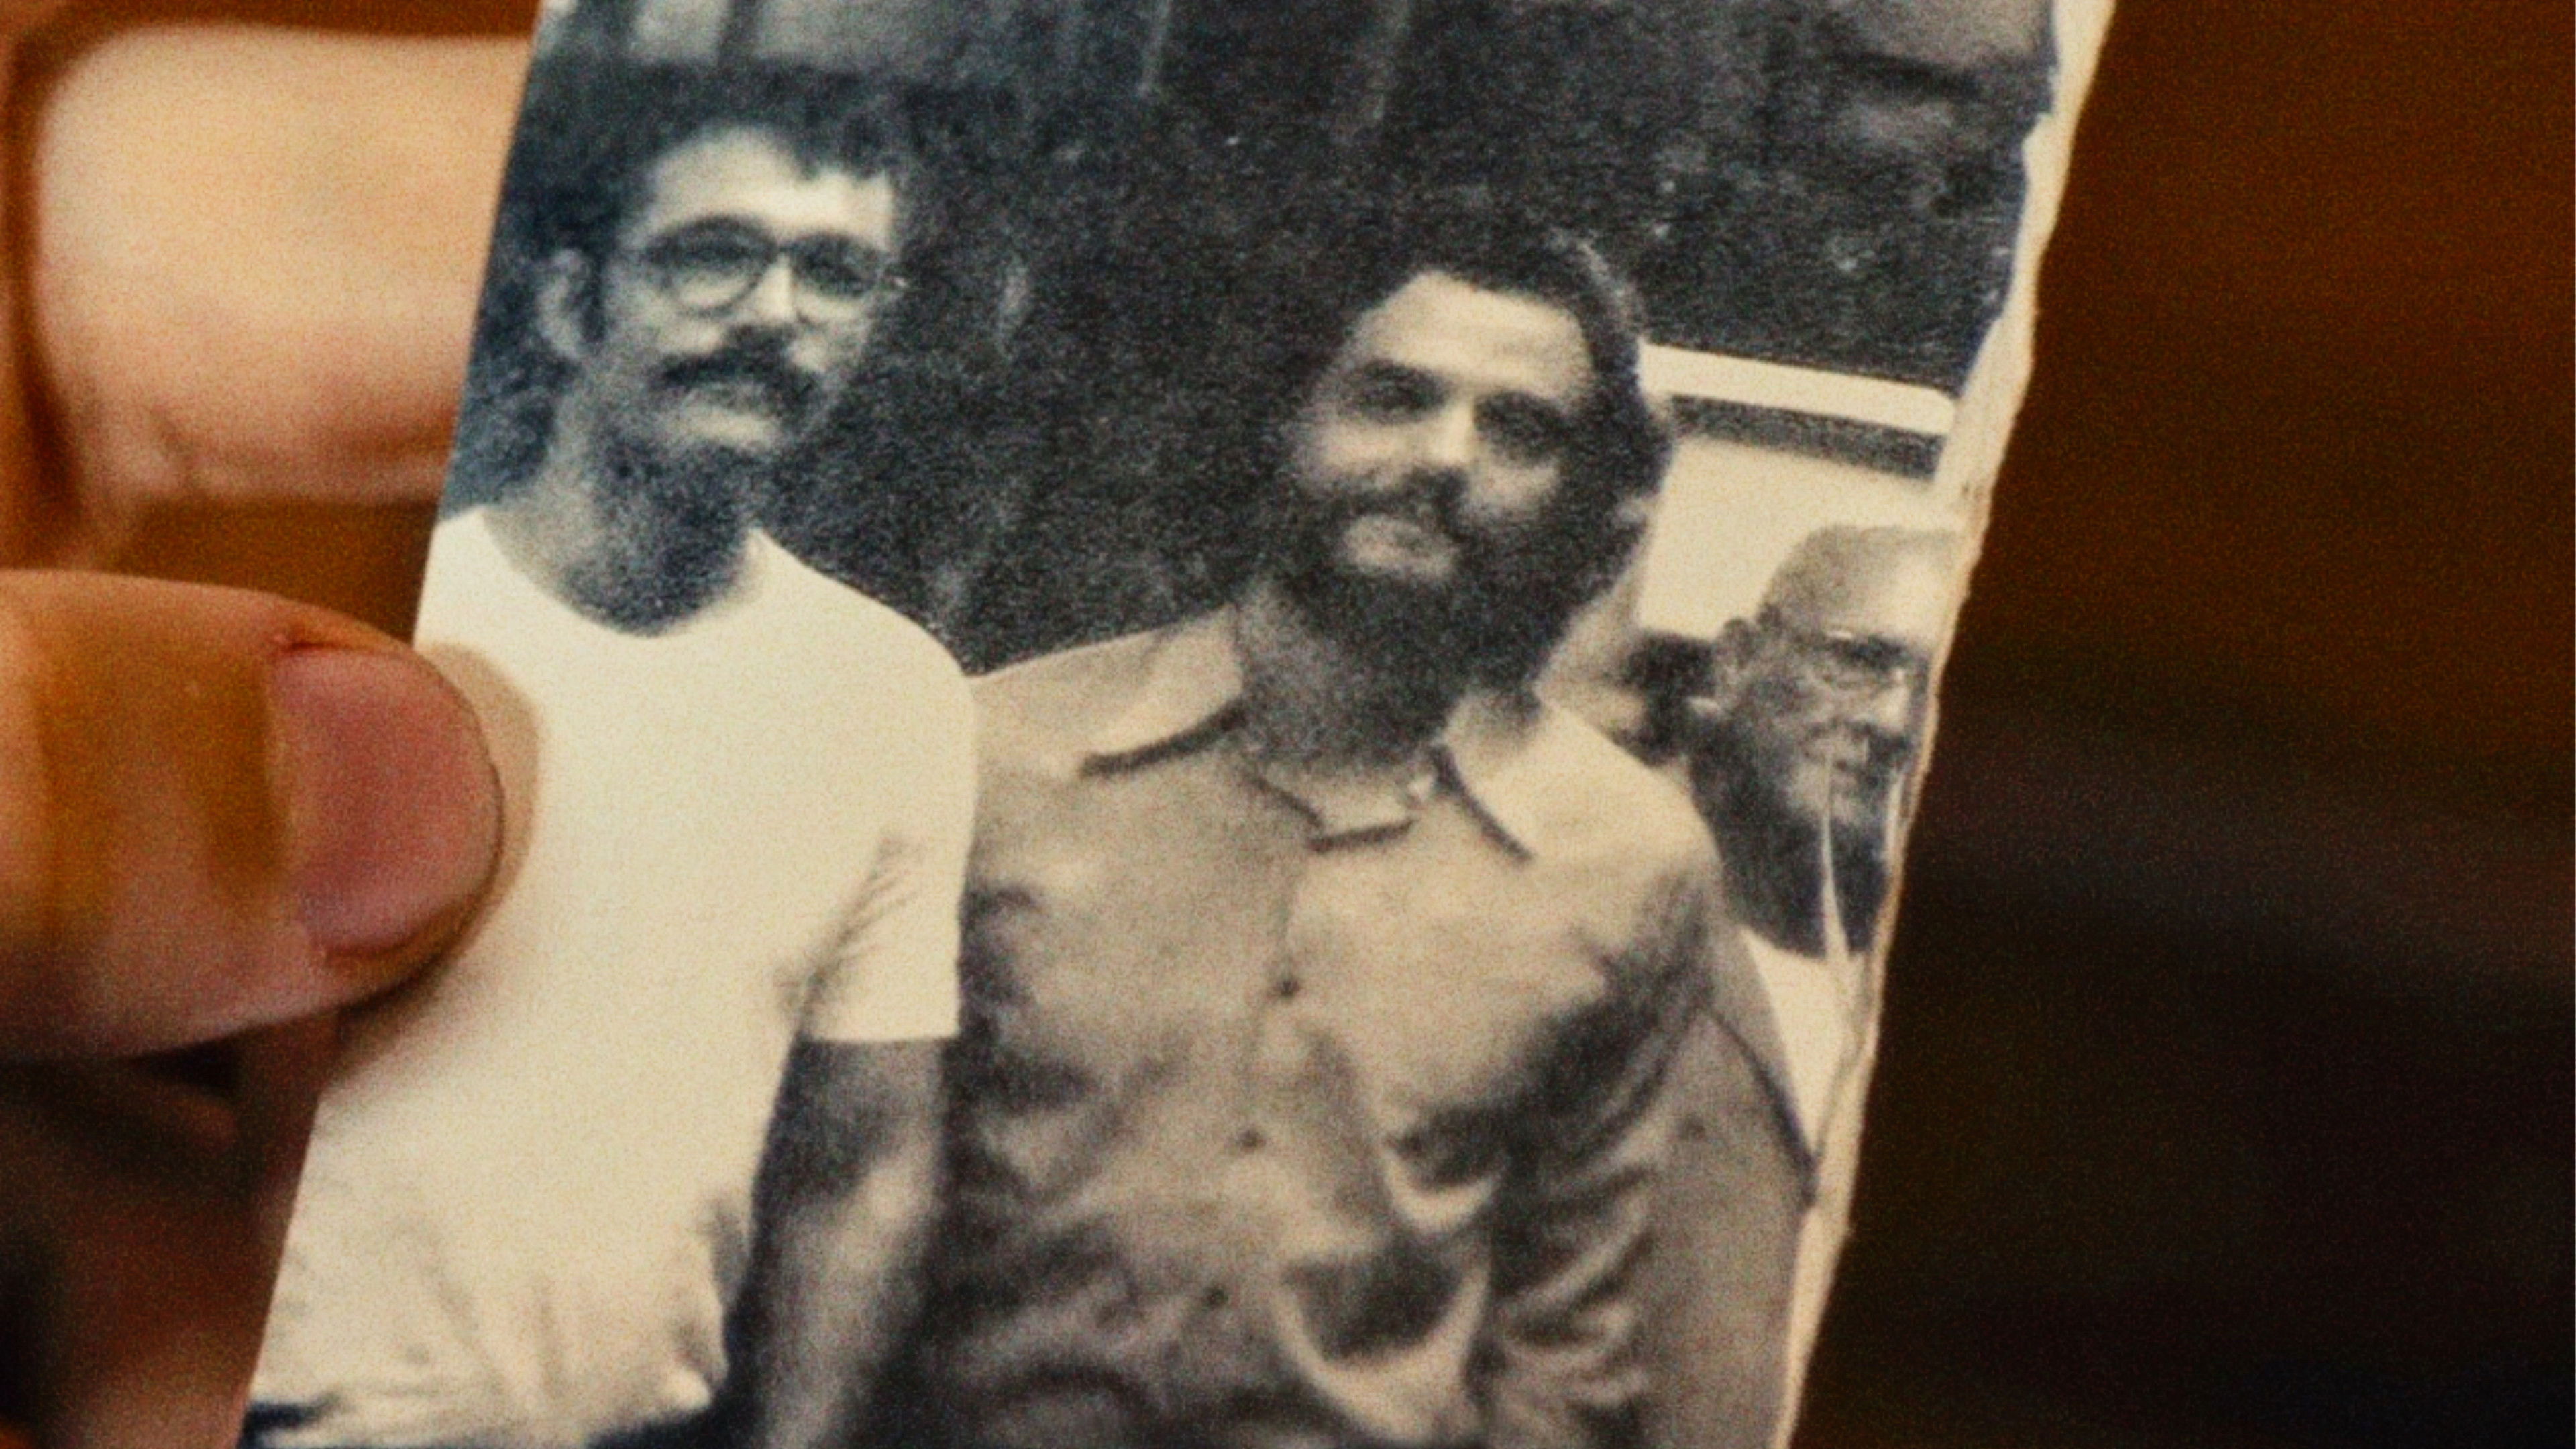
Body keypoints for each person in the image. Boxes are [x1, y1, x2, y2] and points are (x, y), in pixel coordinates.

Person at [783, 197, 1801, 1449]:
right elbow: (830, 1209)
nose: (1446, 457)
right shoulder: (994, 756)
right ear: (1286, 419)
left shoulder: (1628, 864)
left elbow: (1563, 1348)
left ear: (1581, 502)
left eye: (1519, 430)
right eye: (1394, 397)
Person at [245, 65, 976, 1448]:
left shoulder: (891, 699)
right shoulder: (360, 628)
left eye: (834, 275)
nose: (775, 316)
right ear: (570, 302)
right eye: (713, 255)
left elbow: (865, 1171)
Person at [1635, 524, 1957, 1449]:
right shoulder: (1585, 888)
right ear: (1737, 661)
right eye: (1856, 661)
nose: (1894, 723)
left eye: (1936, 687)